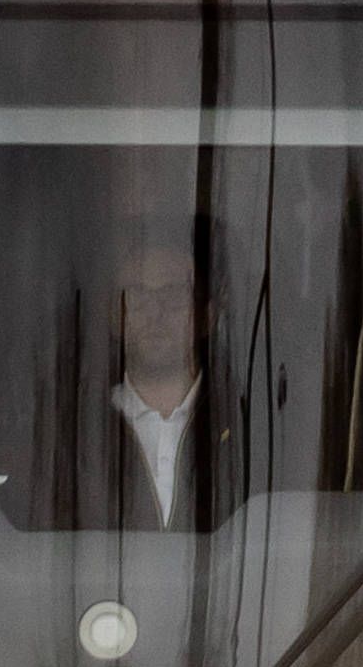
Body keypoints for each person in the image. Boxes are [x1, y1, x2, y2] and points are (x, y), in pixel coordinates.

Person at [17, 226, 239, 534]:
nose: (155, 312)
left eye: (175, 295)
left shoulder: (245, 424)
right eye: (137, 295)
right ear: (115, 315)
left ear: (208, 315)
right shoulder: (71, 431)